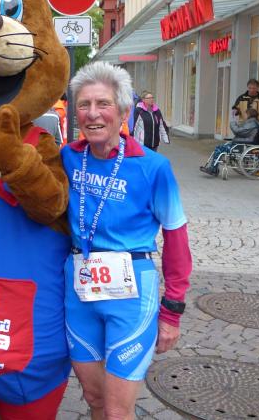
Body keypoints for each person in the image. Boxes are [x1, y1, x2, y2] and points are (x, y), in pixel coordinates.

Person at [61, 62, 192, 419]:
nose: (92, 113)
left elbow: (176, 239)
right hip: (79, 290)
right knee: (94, 398)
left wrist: (173, 311)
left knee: (118, 411)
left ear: (123, 112)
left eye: (103, 103)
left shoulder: (153, 167)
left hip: (132, 294)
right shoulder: (68, 157)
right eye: (84, 104)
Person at [200, 108, 259, 175]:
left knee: (219, 148)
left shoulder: (251, 123)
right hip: (244, 143)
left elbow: (237, 131)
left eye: (245, 114)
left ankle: (213, 169)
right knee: (221, 147)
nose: (244, 115)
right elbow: (243, 132)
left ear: (248, 114)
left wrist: (233, 122)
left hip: (242, 145)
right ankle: (213, 168)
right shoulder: (254, 123)